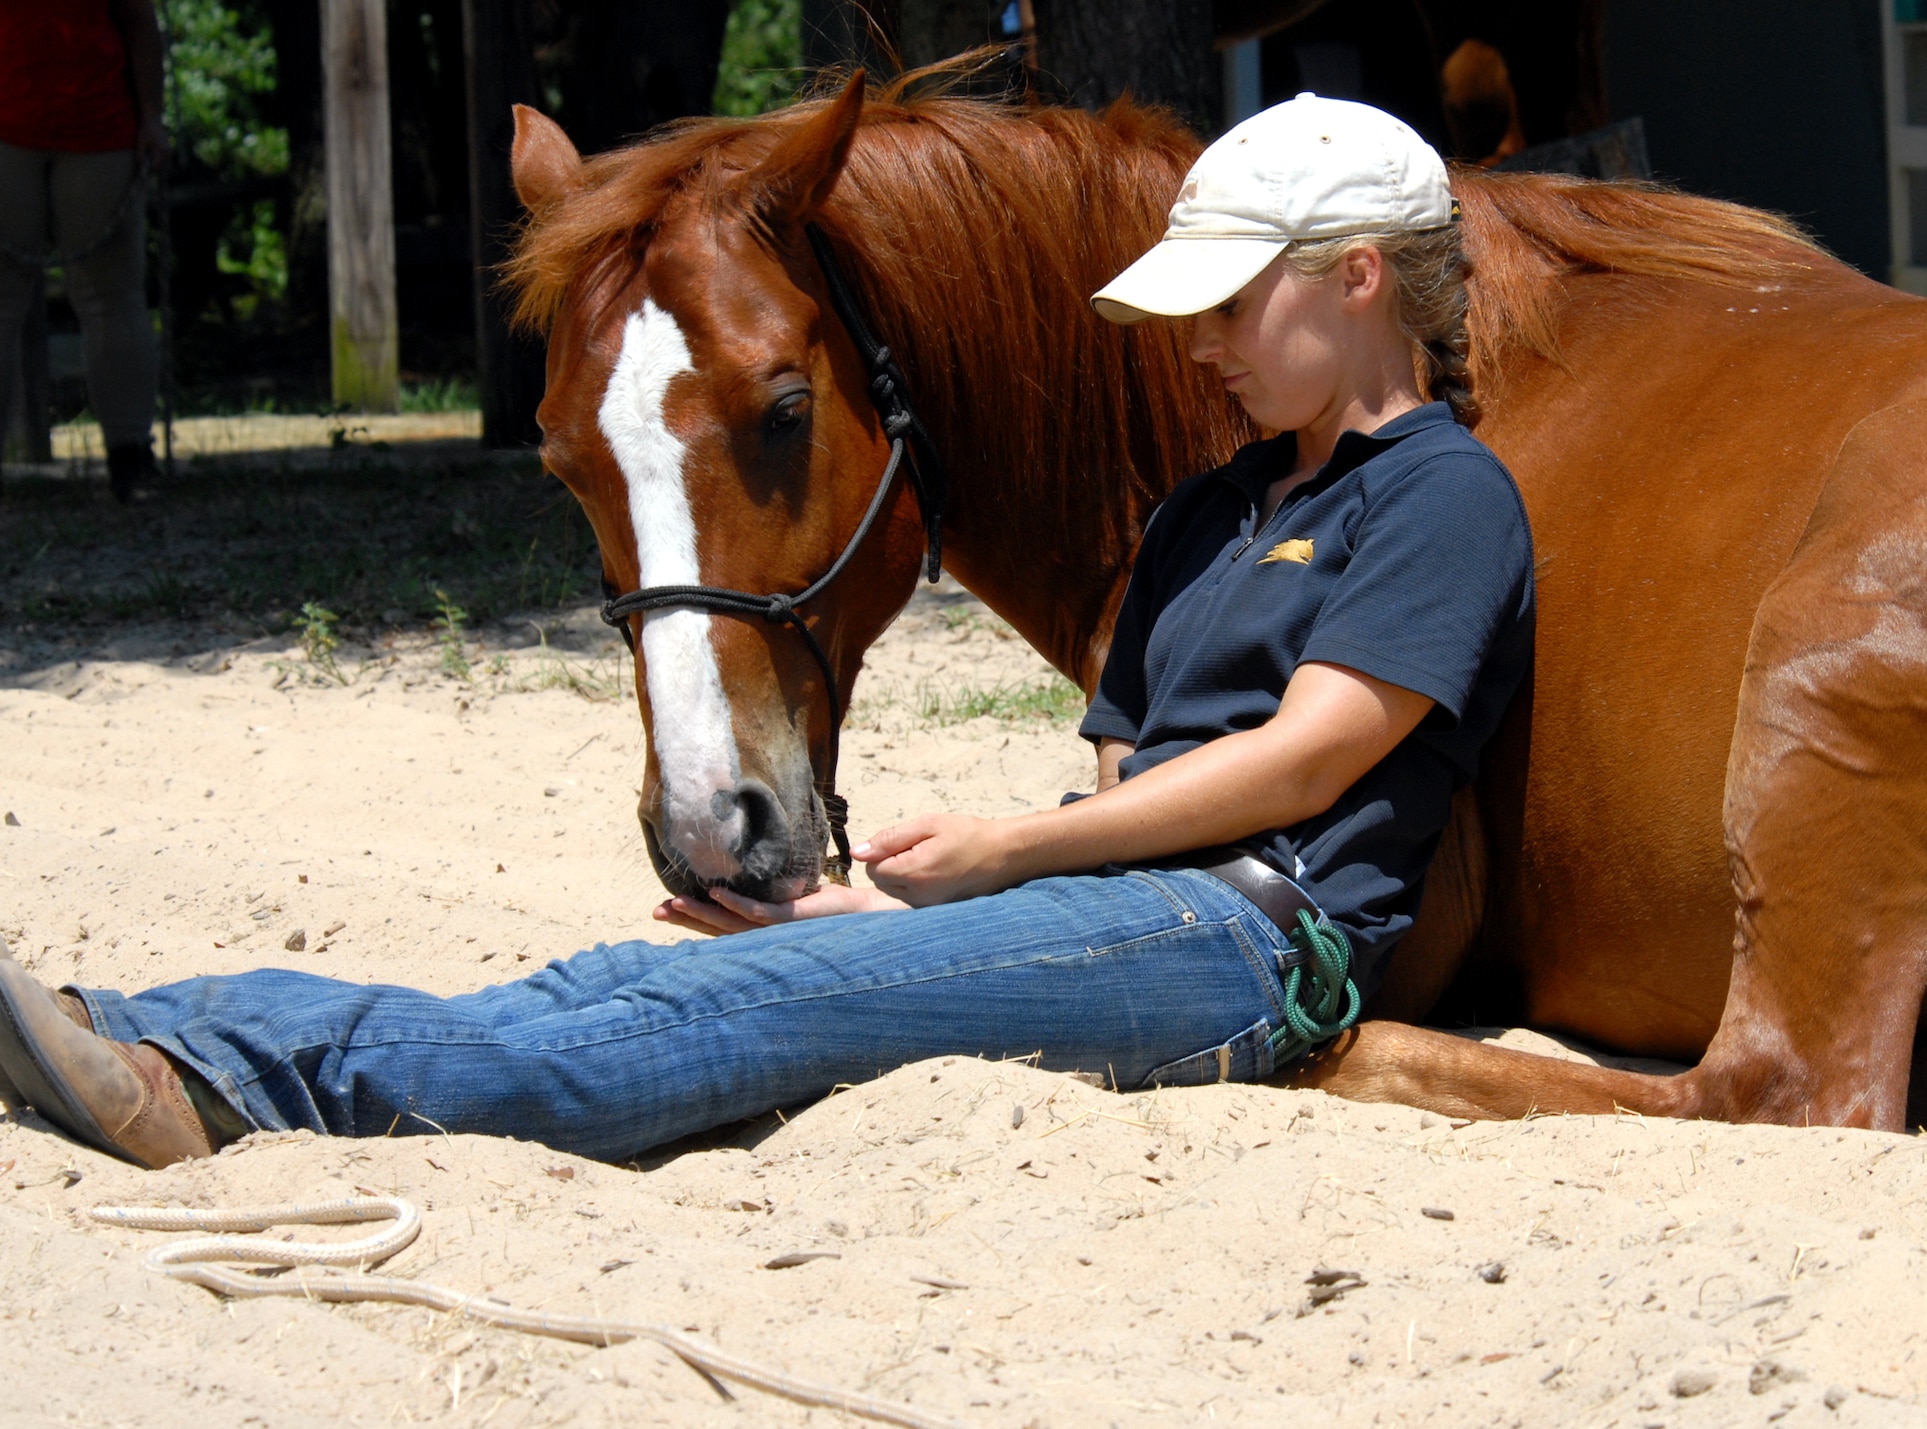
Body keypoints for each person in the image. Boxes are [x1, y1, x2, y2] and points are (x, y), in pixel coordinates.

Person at [0, 97, 1535, 1169]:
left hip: (1261, 941)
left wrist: (997, 860)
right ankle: (136, 1032)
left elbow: (1315, 755)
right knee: (650, 977)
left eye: (1229, 307)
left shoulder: (1443, 494)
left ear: (1356, 280)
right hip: (1142, 910)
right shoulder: (1210, 510)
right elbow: (1127, 777)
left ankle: (204, 1076)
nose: (1198, 346)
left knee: (713, 1021)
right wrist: (902, 916)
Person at [0, 0, 166, 504]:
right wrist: (151, 118)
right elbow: (140, 22)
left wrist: (152, 118)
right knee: (104, 299)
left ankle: (130, 455)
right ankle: (131, 460)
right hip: (68, 126)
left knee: (108, 297)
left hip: (96, 127)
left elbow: (138, 20)